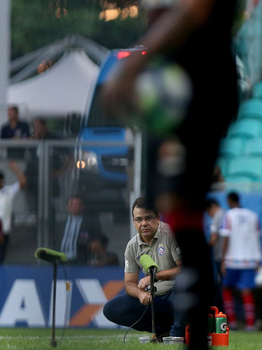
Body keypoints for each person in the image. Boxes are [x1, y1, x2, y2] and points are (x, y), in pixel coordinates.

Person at [102, 0, 238, 346]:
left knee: (184, 215)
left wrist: (133, 65)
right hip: (169, 88)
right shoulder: (136, 242)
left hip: (195, 85)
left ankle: (195, 337)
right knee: (177, 211)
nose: (142, 223)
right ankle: (191, 336)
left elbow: (195, 11)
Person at [103, 197, 184, 338]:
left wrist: (156, 276)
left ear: (158, 218)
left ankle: (177, 333)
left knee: (183, 285)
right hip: (154, 298)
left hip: (175, 295)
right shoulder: (132, 246)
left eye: (149, 218)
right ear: (134, 222)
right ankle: (162, 329)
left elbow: (185, 269)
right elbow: (129, 283)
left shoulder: (170, 234)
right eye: (139, 219)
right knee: (111, 309)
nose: (144, 223)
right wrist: (140, 294)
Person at [220, 192, 261, 331]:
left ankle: (231, 322)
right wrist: (258, 259)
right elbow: (257, 237)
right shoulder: (253, 215)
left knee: (226, 288)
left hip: (232, 259)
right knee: (246, 291)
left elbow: (226, 238)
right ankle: (250, 324)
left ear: (229, 201)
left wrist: (223, 260)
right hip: (250, 259)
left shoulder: (229, 215)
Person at [59, 196, 102, 265]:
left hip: (80, 262)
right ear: (67, 207)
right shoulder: (61, 223)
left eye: (77, 204)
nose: (75, 206)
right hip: (61, 261)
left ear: (82, 207)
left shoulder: (90, 223)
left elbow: (96, 242)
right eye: (72, 204)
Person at [205, 198, 225, 310]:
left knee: (219, 286)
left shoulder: (217, 216)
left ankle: (219, 311)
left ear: (211, 207)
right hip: (228, 257)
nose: (210, 215)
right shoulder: (226, 214)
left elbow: (213, 239)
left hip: (220, 256)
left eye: (209, 212)